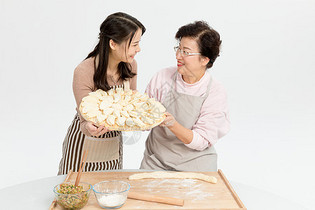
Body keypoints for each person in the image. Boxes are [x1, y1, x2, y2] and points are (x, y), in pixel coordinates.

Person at [58, 12, 145, 175]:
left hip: (112, 146)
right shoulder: (84, 70)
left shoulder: (130, 66)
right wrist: (89, 127)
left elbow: (132, 103)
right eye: (134, 44)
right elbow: (85, 117)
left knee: (108, 192)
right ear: (113, 44)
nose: (138, 49)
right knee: (74, 193)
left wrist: (144, 117)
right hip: (84, 144)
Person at [140, 21, 230, 171]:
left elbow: (201, 141)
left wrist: (172, 125)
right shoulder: (163, 77)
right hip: (156, 162)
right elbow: (143, 119)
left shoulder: (215, 92)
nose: (178, 56)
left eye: (186, 52)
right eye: (178, 49)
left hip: (196, 166)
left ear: (205, 59)